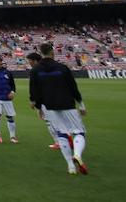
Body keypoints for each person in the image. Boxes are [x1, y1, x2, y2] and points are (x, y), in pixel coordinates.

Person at [29, 42, 87, 175]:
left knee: (61, 134)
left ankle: (70, 166)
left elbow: (34, 91)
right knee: (79, 132)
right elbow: (73, 87)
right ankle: (77, 155)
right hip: (67, 103)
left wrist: (39, 107)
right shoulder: (62, 68)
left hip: (49, 105)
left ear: (41, 53)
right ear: (52, 52)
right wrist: (81, 105)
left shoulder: (35, 70)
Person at [25, 51, 61, 149]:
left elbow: (34, 87)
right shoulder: (51, 68)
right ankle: (62, 140)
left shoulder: (35, 70)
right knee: (56, 120)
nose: (29, 63)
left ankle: (60, 142)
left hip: (45, 100)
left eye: (30, 61)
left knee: (50, 121)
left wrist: (34, 101)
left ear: (35, 61)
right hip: (57, 97)